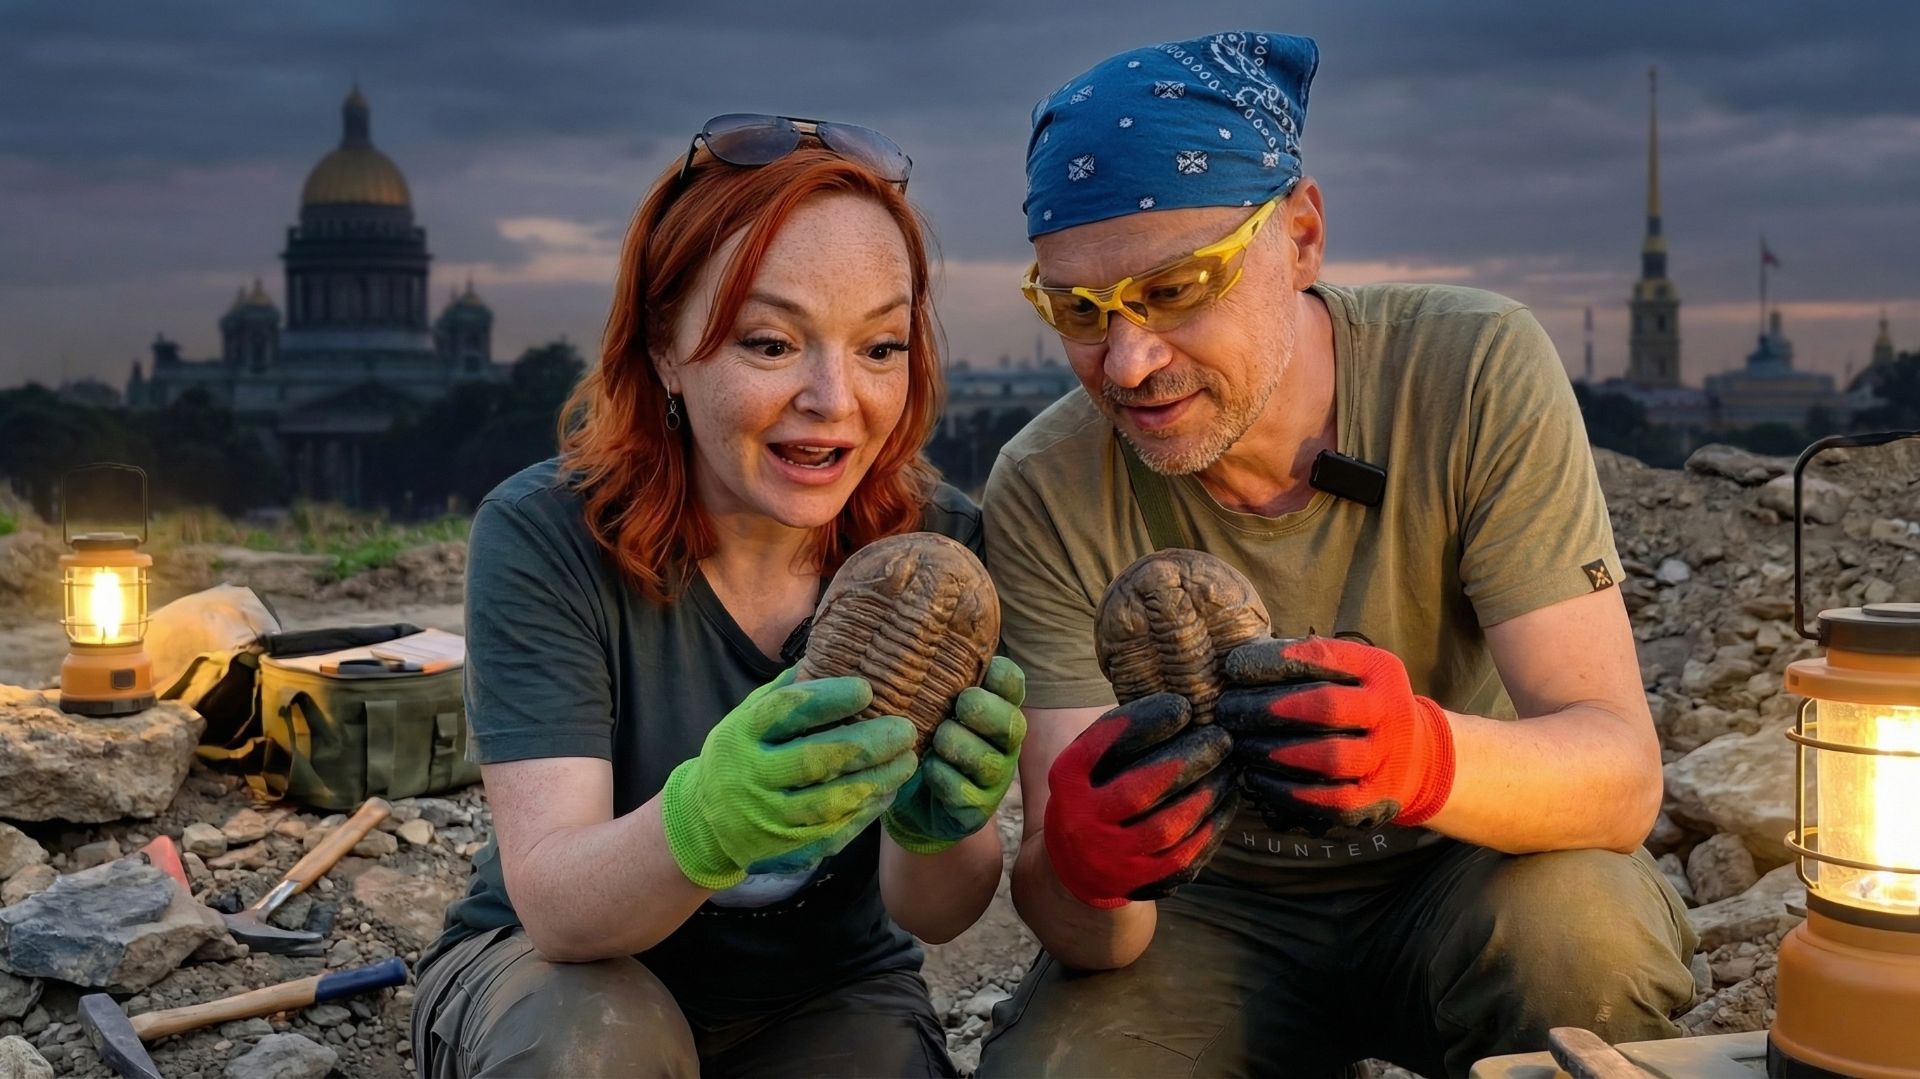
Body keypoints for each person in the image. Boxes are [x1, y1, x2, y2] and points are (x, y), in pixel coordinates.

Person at [976, 33, 1696, 1078]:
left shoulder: (1470, 369)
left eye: (1176, 289)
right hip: (1209, 921)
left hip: (1469, 867)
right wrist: (1088, 870)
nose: (1127, 361)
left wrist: (1420, 754)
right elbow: (1095, 934)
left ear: (1301, 237)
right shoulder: (1047, 480)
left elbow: (1619, 777)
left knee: (1584, 936)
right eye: (1079, 311)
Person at [410, 115, 1026, 1078]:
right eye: (772, 343)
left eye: (880, 347)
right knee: (595, 1053)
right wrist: (707, 818)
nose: (835, 399)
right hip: (565, 968)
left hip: (823, 985)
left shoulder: (938, 552)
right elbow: (561, 906)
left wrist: (936, 825)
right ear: (665, 348)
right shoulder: (543, 536)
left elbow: (935, 912)